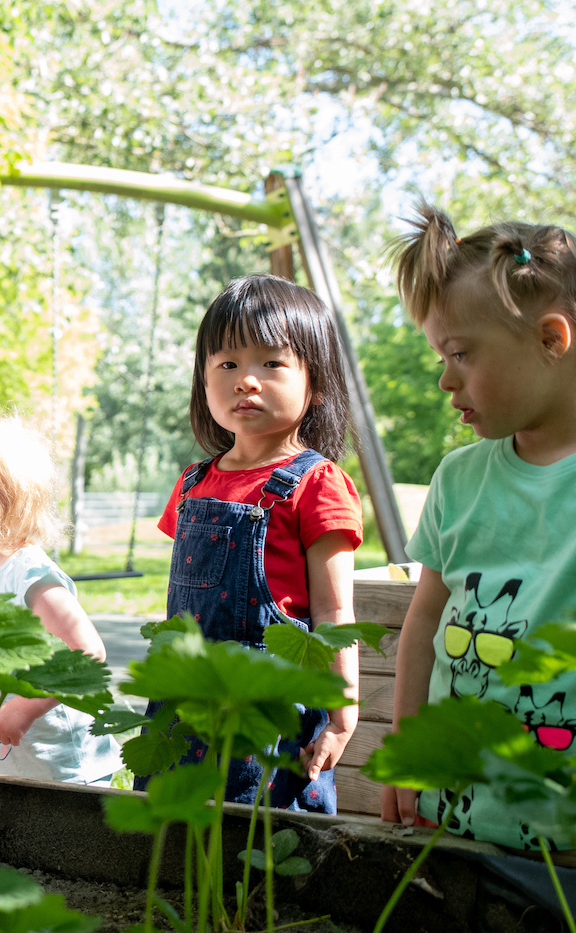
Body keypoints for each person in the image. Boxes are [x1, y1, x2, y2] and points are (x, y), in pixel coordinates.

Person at [383, 205, 576, 872]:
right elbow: (424, 622)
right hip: (448, 825)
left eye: (460, 353)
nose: (445, 379)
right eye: (441, 356)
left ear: (553, 339)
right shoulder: (458, 478)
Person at [138, 274, 364, 814]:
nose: (246, 381)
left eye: (272, 363)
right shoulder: (193, 482)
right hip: (184, 701)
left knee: (259, 840)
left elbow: (334, 613)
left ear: (316, 383)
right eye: (227, 365)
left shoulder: (317, 483)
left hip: (269, 706)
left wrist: (342, 716)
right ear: (204, 381)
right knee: (168, 837)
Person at [0, 416, 123, 785]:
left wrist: (25, 708)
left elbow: (86, 652)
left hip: (68, 769)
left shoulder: (29, 577)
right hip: (12, 764)